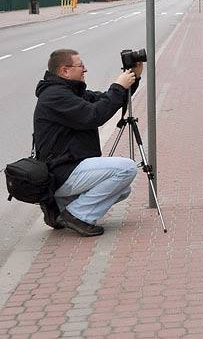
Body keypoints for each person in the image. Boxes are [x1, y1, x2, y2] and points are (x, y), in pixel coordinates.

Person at [33, 49, 141, 237]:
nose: (85, 69)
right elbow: (94, 115)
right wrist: (118, 86)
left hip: (71, 168)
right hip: (62, 171)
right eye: (81, 65)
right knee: (127, 169)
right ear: (65, 71)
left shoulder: (70, 91)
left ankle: (58, 209)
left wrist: (132, 79)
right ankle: (77, 215)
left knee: (124, 189)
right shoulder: (55, 96)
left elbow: (104, 101)